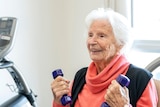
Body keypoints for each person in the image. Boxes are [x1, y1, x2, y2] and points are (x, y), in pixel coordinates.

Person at [51, 8, 158, 107]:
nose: (92, 42)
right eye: (90, 35)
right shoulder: (81, 76)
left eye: (101, 36)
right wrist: (58, 101)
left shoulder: (140, 79)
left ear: (121, 43)